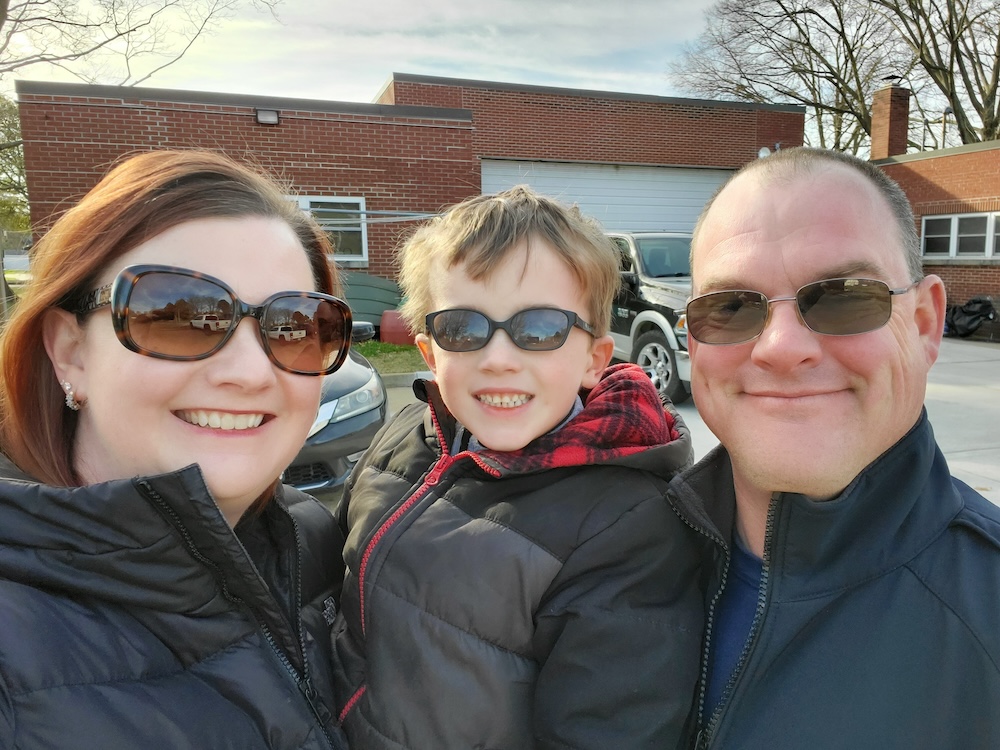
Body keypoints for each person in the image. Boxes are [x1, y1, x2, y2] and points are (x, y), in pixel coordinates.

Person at [0, 149, 353, 749]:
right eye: (180, 315)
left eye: (294, 324)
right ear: (70, 352)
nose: (250, 372)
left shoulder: (313, 542)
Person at [331, 186, 704, 749]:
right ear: (431, 353)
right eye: (462, 328)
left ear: (593, 360)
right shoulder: (405, 437)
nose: (499, 359)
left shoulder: (626, 528)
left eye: (539, 329)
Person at [669, 147, 1000, 749]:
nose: (780, 347)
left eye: (845, 295)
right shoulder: (602, 564)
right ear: (693, 344)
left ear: (925, 323)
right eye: (730, 307)